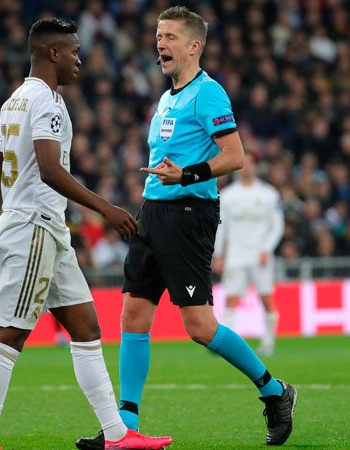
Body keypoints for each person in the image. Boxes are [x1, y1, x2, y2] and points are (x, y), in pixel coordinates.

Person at [77, 6, 296, 449]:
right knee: (133, 315)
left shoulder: (208, 93)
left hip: (190, 215)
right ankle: (123, 427)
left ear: (194, 46)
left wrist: (189, 175)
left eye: (171, 36)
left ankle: (275, 392)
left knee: (199, 327)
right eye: (159, 35)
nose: (161, 43)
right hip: (153, 213)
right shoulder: (167, 97)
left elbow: (234, 156)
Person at [0, 18, 172, 450]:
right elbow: (49, 169)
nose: (80, 60)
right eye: (74, 51)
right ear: (52, 54)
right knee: (10, 335)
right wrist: (106, 208)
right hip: (34, 228)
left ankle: (116, 435)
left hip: (44, 229)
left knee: (86, 327)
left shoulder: (14, 101)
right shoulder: (47, 102)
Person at [213, 152, 284, 356]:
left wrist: (267, 249)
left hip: (259, 254)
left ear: (256, 167)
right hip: (235, 254)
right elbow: (221, 227)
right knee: (231, 299)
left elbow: (277, 226)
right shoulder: (227, 195)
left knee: (266, 298)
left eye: (250, 164)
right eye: (243, 164)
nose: (246, 168)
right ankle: (229, 347)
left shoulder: (269, 194)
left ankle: (268, 343)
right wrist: (219, 253)